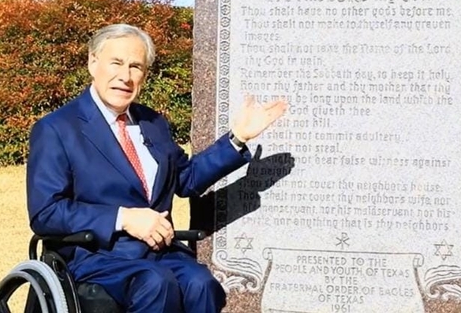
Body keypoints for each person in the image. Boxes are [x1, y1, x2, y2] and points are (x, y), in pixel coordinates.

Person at [26, 23, 287, 313]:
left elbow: (186, 178)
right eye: (116, 63)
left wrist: (237, 138)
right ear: (93, 62)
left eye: (135, 67)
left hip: (160, 253)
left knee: (201, 283)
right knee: (156, 283)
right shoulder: (57, 129)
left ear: (144, 75)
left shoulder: (153, 123)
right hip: (97, 255)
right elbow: (46, 213)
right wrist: (124, 218)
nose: (125, 76)